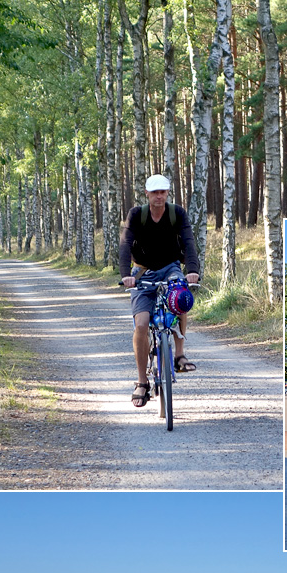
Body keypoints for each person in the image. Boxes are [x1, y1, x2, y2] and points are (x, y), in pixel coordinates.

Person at [119, 174, 202, 408]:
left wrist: (192, 270)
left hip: (170, 268)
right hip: (142, 272)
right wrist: (126, 274)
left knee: (181, 295)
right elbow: (125, 244)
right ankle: (142, 382)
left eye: (163, 192)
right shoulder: (137, 214)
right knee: (142, 324)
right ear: (146, 193)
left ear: (167, 193)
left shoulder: (177, 213)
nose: (159, 196)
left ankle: (179, 355)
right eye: (154, 192)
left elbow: (188, 242)